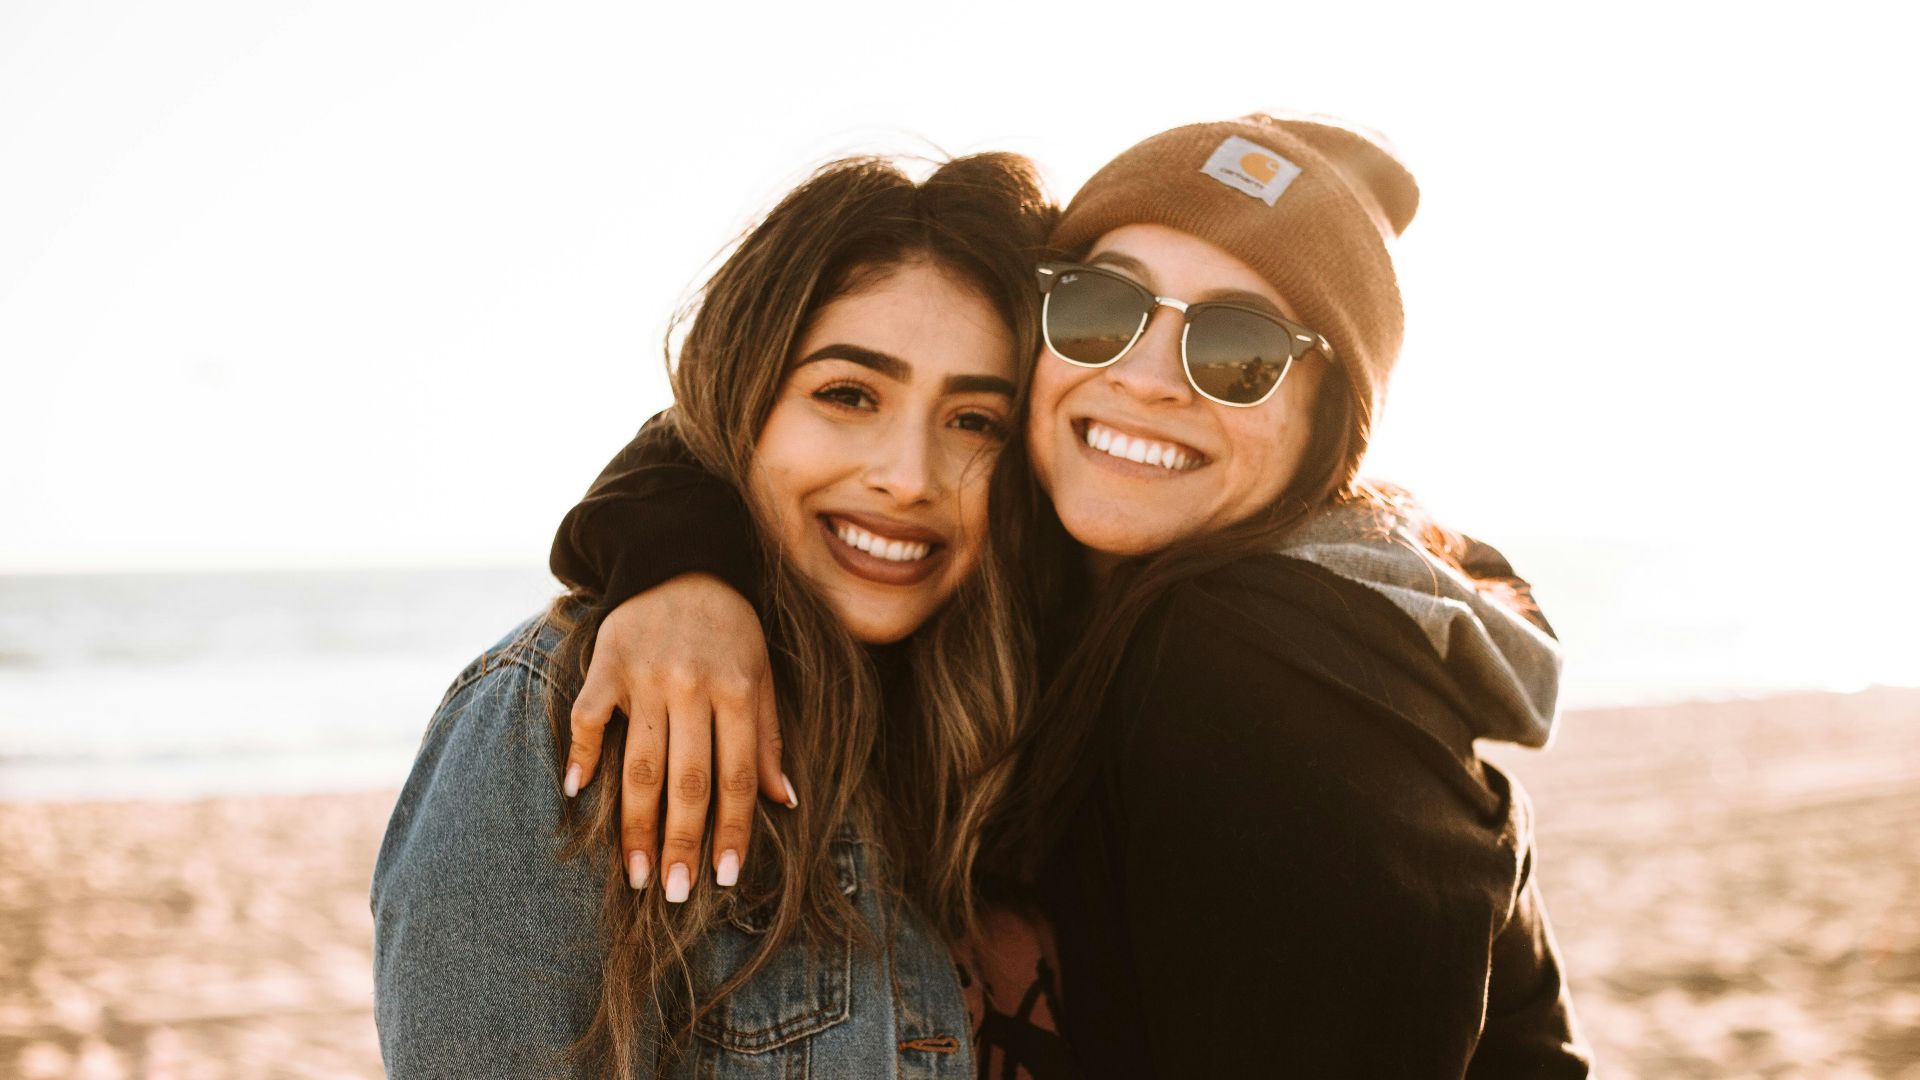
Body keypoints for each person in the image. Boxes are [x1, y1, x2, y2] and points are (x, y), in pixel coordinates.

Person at [543, 114, 1592, 1075]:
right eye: (1102, 308)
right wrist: (686, 564)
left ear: (1329, 421)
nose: (1144, 377)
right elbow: (746, 416)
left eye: (1238, 349)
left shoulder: (1263, 669)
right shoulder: (1052, 556)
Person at [370, 152, 1076, 1078]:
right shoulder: (559, 719)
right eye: (847, 395)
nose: (908, 477)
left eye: (975, 420)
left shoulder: (1027, 711)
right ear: (743, 403)